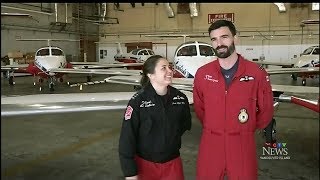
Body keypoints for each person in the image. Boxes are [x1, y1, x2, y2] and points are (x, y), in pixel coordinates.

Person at [193, 20, 274, 180]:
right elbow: (200, 108)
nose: (219, 43)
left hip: (242, 143)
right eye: (214, 39)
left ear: (235, 38)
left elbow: (266, 110)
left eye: (224, 37)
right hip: (211, 143)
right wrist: (215, 126)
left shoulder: (256, 73)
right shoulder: (203, 74)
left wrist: (244, 128)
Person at [119, 55, 192, 180]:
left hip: (172, 164)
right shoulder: (137, 102)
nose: (170, 71)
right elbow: (127, 138)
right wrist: (130, 172)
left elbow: (184, 125)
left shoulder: (180, 98)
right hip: (145, 165)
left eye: (170, 67)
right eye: (163, 68)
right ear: (150, 75)